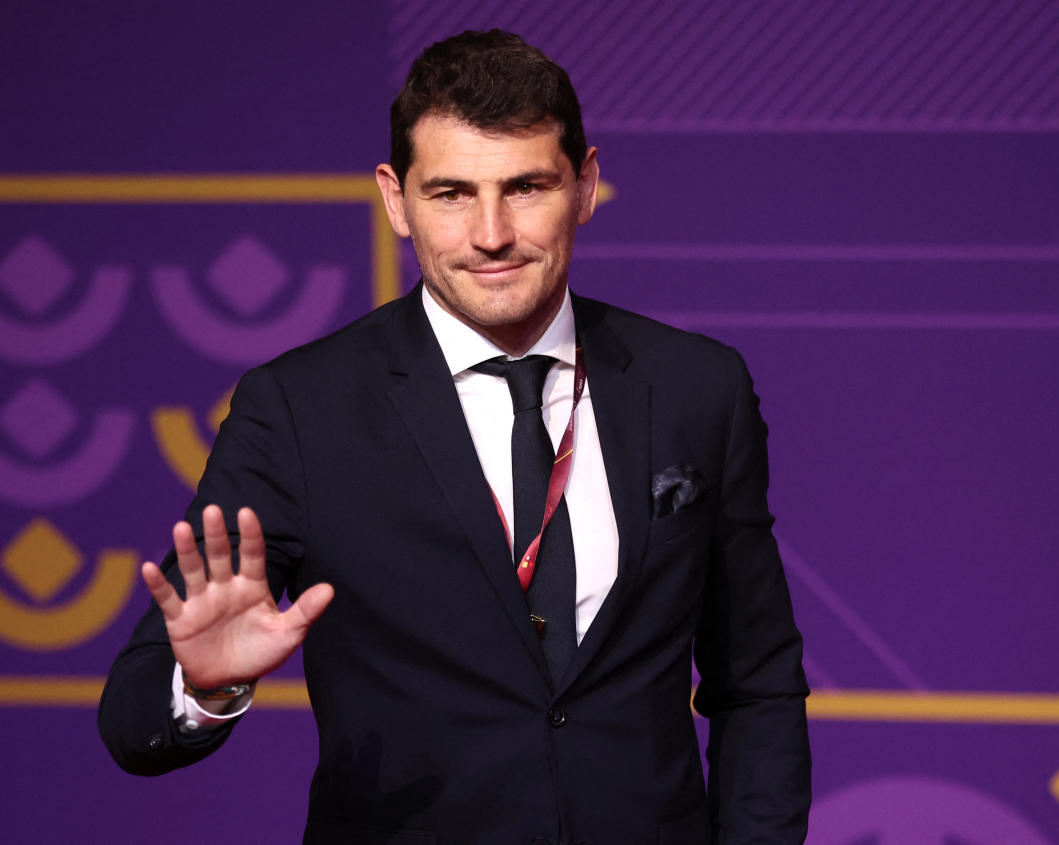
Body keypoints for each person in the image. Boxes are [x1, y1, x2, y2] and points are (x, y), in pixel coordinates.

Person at [99, 29, 810, 845]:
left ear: (585, 185)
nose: (492, 233)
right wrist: (206, 687)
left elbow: (756, 681)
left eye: (526, 187)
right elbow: (132, 716)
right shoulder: (300, 408)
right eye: (451, 195)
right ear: (396, 199)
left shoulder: (696, 386)